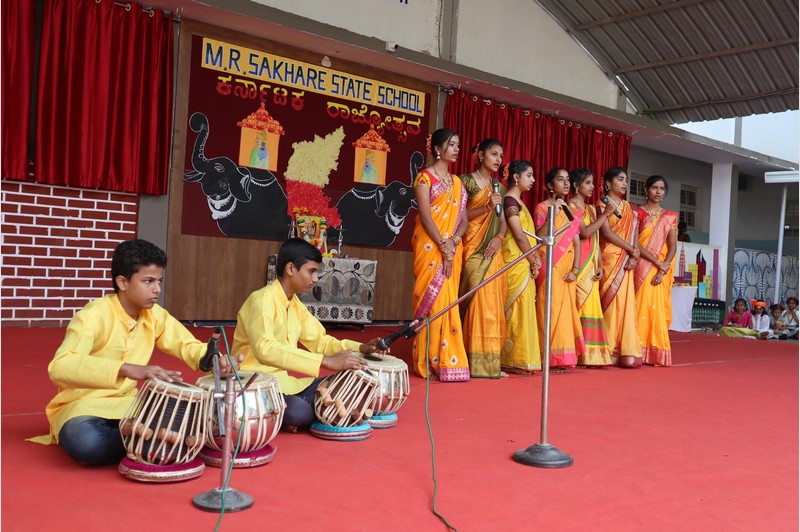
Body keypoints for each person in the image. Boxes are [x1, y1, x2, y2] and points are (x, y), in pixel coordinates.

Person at [29, 239, 238, 466]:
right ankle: (154, 438)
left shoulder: (155, 315)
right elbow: (61, 366)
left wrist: (214, 359)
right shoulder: (93, 315)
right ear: (122, 282)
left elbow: (188, 345)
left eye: (159, 281)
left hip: (130, 405)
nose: (156, 289)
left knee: (191, 414)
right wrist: (126, 369)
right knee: (89, 444)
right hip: (82, 406)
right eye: (148, 281)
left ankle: (142, 435)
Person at [232, 238, 385, 432]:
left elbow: (320, 341)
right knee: (298, 412)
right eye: (311, 271)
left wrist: (361, 348)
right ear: (290, 269)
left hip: (285, 384)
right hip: (254, 385)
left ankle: (315, 406)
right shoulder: (261, 301)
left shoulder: (294, 304)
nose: (316, 279)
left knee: (351, 376)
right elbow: (265, 349)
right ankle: (324, 407)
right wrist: (325, 361)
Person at [411, 128, 470, 381]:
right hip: (430, 247)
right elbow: (425, 216)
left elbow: (464, 221)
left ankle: (447, 360)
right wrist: (443, 246)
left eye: (458, 144)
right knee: (431, 301)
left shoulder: (457, 183)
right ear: (437, 149)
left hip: (452, 248)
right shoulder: (424, 179)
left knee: (448, 302)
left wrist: (453, 242)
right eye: (451, 144)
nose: (456, 149)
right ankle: (426, 361)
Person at [458, 138, 508, 378]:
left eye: (500, 155)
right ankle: (465, 358)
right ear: (480, 155)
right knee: (475, 301)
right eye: (493, 154)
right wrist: (487, 207)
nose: (498, 159)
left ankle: (489, 363)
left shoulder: (500, 187)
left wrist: (499, 237)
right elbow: (459, 216)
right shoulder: (465, 182)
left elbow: (504, 221)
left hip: (492, 250)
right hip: (471, 248)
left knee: (492, 305)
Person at [533, 167, 585, 372]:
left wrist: (576, 268)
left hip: (566, 266)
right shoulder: (542, 208)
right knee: (550, 310)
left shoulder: (570, 210)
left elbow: (577, 241)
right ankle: (548, 357)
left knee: (564, 312)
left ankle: (562, 357)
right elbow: (539, 235)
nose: (565, 183)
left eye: (566, 180)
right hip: (549, 263)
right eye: (560, 180)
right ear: (548, 185)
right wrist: (554, 214)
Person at [597, 167, 643, 368]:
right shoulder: (601, 204)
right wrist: (631, 249)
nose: (624, 183)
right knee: (610, 303)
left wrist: (635, 254)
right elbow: (606, 233)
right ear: (608, 183)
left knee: (625, 304)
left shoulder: (630, 208)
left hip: (626, 260)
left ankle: (624, 351)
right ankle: (606, 349)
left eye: (626, 180)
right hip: (609, 258)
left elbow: (634, 233)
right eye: (620, 179)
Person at [500, 160, 542, 374]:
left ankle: (521, 358)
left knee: (523, 308)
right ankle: (510, 358)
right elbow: (518, 234)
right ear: (516, 177)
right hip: (515, 261)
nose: (533, 180)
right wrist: (533, 257)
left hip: (523, 260)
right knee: (515, 309)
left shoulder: (519, 202)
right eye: (529, 175)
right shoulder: (510, 201)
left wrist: (533, 258)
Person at [568, 168, 612, 367]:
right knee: (579, 306)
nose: (592, 187)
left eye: (593, 183)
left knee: (590, 306)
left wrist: (601, 263)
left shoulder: (592, 209)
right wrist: (606, 216)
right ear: (576, 185)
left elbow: (596, 238)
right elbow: (584, 233)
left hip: (592, 265)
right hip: (577, 263)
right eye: (587, 183)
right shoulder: (569, 207)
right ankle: (576, 353)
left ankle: (592, 355)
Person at [633, 175, 678, 366]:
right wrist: (657, 263)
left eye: (662, 189)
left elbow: (673, 246)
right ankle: (635, 350)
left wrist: (663, 269)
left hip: (660, 270)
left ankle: (655, 353)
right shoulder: (636, 212)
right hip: (641, 265)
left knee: (656, 309)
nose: (658, 192)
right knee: (638, 306)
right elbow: (635, 243)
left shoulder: (670, 216)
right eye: (655, 188)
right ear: (646, 189)